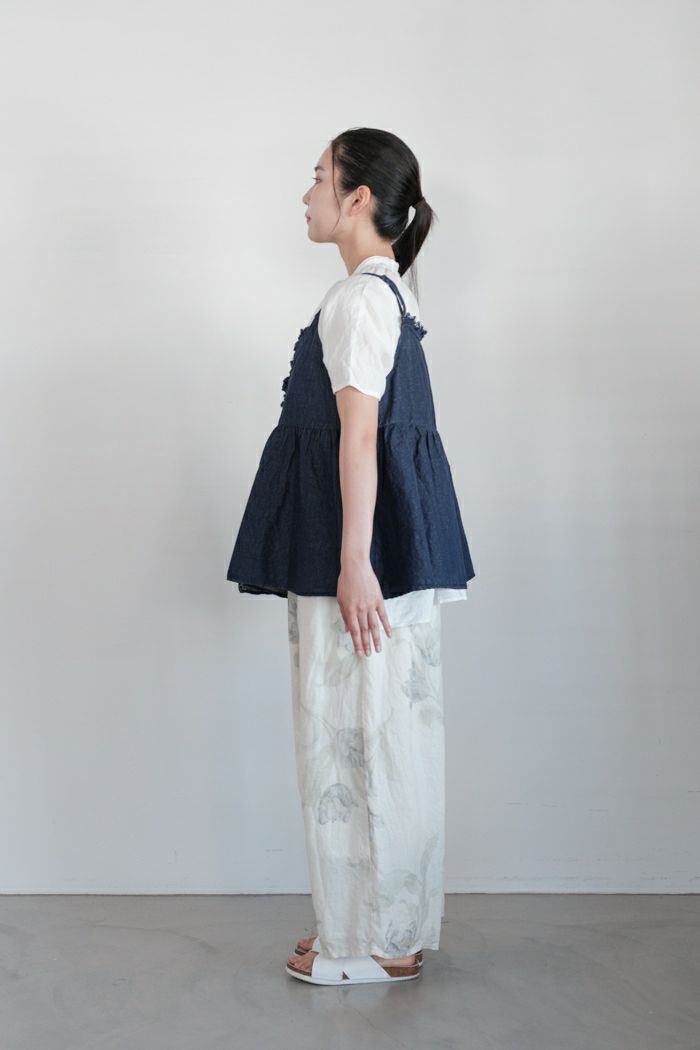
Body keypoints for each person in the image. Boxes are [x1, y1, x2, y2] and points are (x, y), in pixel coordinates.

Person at [226, 127, 476, 986]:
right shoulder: (390, 295)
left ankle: (360, 942)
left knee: (346, 735)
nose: (307, 196)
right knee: (386, 732)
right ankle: (383, 930)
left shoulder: (358, 301)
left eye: (320, 178)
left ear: (359, 198)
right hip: (390, 547)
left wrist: (354, 561)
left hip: (359, 552)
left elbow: (360, 434)